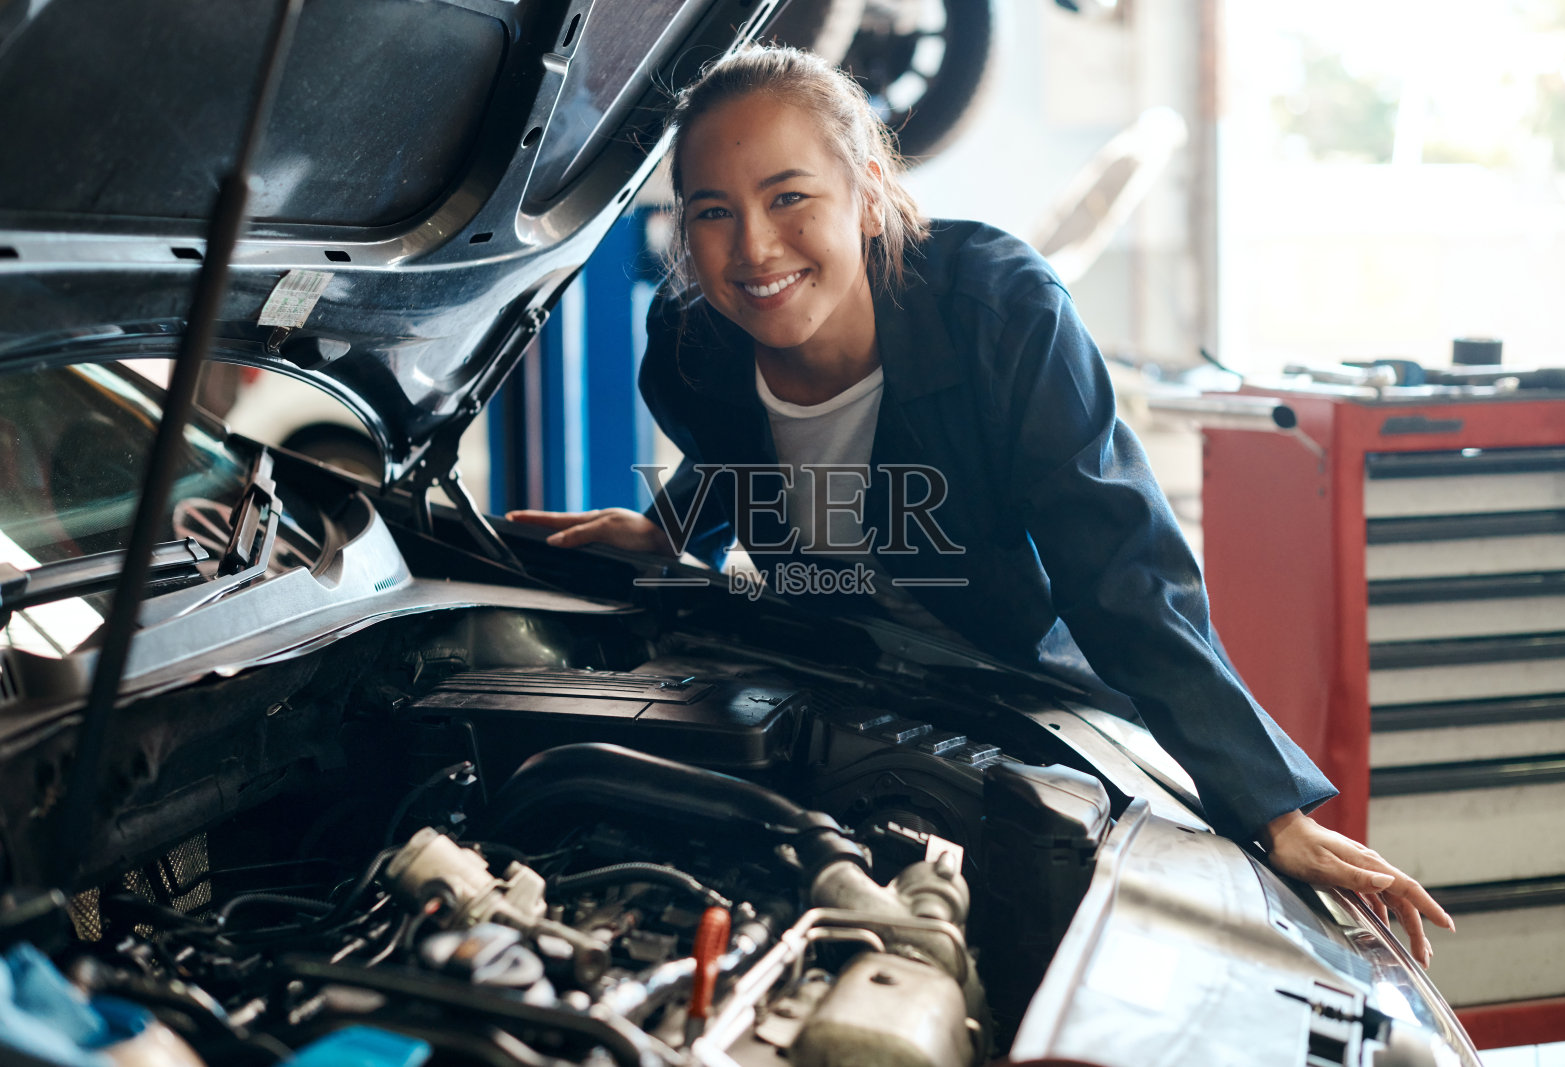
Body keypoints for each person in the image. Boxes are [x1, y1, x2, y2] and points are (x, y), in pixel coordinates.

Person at [508, 46, 1453, 964]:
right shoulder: (690, 343)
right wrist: (671, 529)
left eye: (789, 197)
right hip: (826, 659)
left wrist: (1267, 807)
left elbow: (1121, 569)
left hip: (1015, 673)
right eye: (712, 212)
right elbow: (736, 449)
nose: (753, 248)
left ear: (870, 189)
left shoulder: (1002, 312)